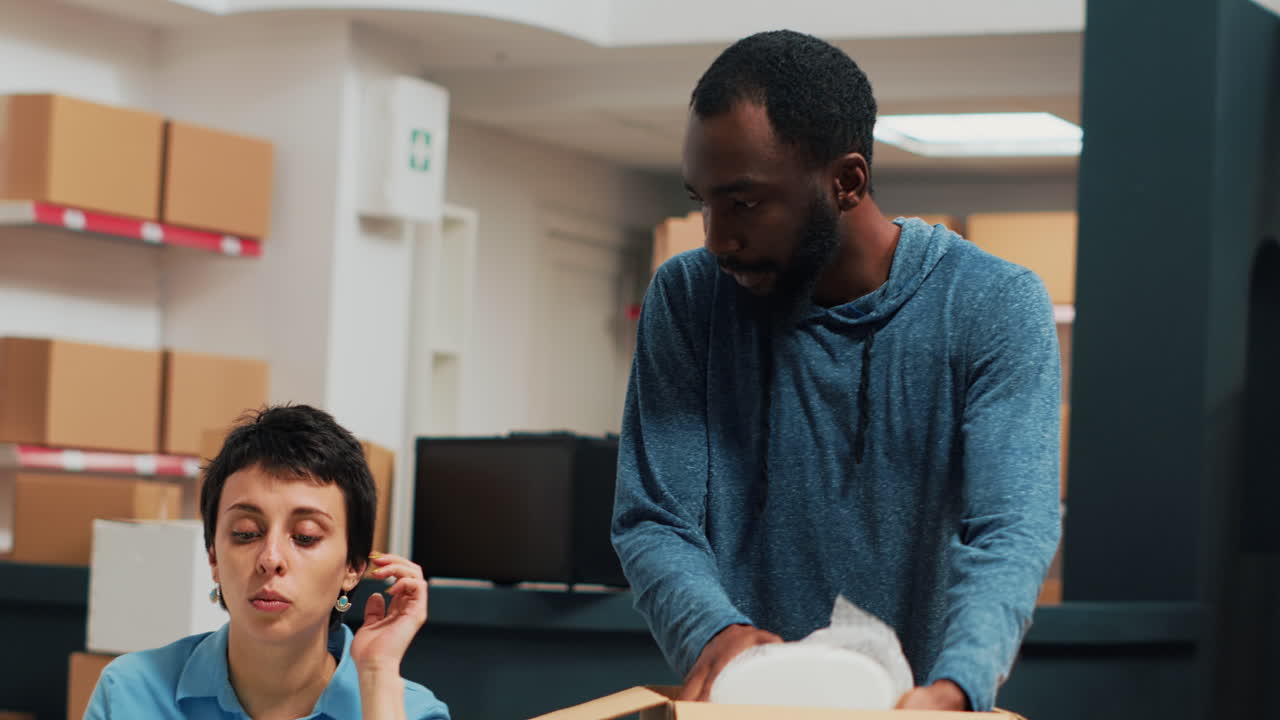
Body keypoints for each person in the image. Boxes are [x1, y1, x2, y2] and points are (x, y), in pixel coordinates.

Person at [611, 30, 1061, 712]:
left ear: (846, 181)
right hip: (743, 705)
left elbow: (1010, 527)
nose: (718, 237)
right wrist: (716, 633)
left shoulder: (991, 304)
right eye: (704, 202)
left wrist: (958, 686)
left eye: (745, 203)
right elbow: (654, 518)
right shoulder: (689, 298)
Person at [84, 405, 449, 719]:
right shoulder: (130, 693)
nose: (270, 559)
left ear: (353, 567)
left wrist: (378, 676)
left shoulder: (409, 711)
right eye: (245, 533)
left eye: (305, 536)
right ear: (213, 555)